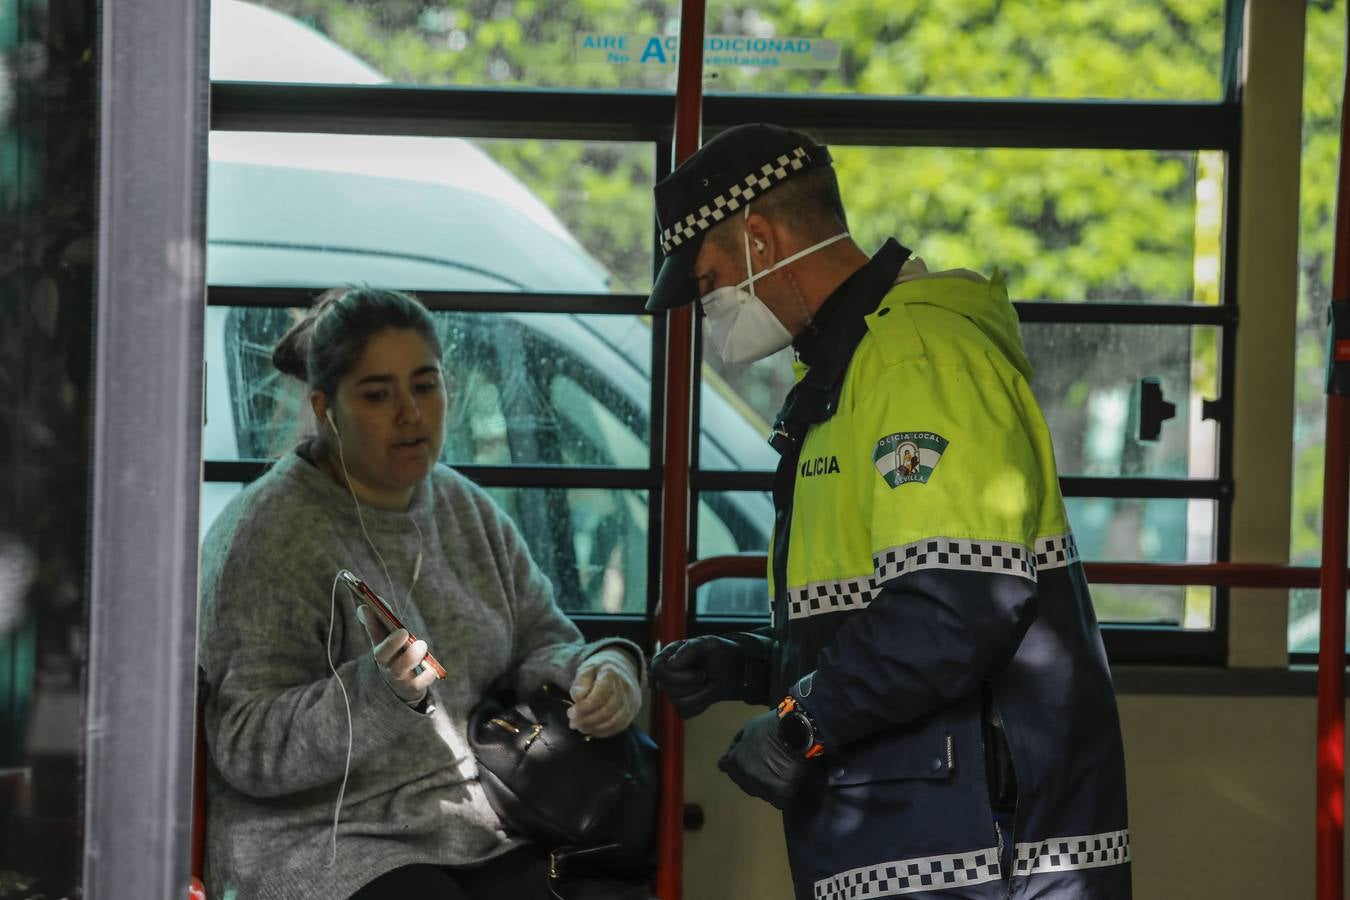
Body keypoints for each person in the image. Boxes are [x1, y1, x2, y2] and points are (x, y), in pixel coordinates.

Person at [647, 124, 1131, 900]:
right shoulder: (851, 373)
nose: (708, 315)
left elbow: (956, 607)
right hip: (914, 830)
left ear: (760, 242)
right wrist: (756, 668)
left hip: (977, 846)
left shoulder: (918, 359)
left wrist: (801, 721)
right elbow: (879, 607)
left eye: (706, 286)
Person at [199, 287, 646, 900]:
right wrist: (377, 696)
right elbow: (244, 745)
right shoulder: (270, 536)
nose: (410, 413)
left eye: (425, 385)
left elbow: (542, 641)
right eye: (378, 395)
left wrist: (603, 668)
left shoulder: (465, 509)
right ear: (327, 410)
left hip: (476, 826)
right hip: (322, 843)